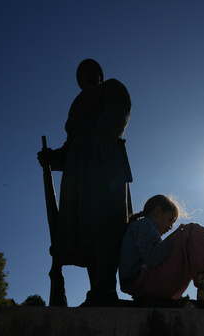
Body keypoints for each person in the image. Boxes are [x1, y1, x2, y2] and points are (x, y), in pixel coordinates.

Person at [38, 59, 133, 307]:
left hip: (103, 161)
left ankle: (105, 290)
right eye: (82, 73)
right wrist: (53, 157)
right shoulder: (76, 105)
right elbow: (72, 143)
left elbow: (117, 111)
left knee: (106, 226)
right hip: (78, 171)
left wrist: (103, 134)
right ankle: (98, 291)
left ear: (100, 75)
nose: (88, 75)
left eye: (92, 71)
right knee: (85, 232)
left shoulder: (111, 87)